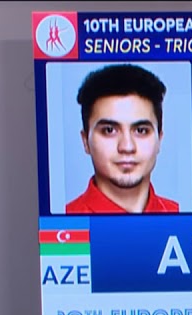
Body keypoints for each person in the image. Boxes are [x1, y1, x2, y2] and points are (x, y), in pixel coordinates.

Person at [65, 64, 179, 214]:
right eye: (109, 130)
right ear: (85, 141)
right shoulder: (63, 224)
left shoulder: (184, 217)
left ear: (159, 140)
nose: (127, 147)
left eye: (141, 130)